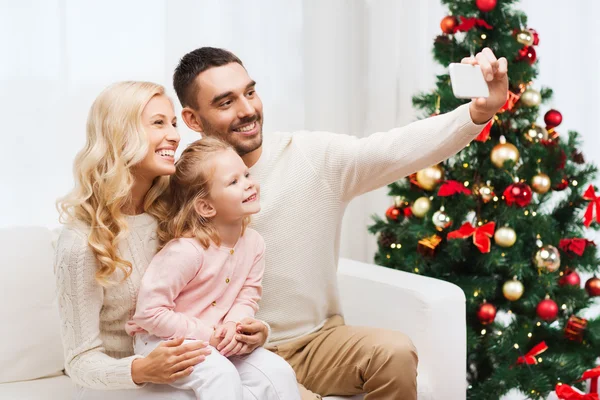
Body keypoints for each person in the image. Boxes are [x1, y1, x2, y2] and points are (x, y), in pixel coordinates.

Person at [172, 46, 508, 399]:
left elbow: (399, 147)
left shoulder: (310, 157)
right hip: (235, 358)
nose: (247, 110)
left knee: (393, 353)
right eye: (226, 103)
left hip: (318, 342)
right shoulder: (180, 187)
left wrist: (479, 111)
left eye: (251, 92)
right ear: (193, 120)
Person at [55, 81, 208, 400]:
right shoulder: (82, 241)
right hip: (117, 385)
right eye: (158, 123)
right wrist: (141, 370)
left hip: (183, 369)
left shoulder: (173, 211)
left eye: (174, 123)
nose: (175, 135)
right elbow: (79, 361)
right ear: (119, 134)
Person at [125, 136, 301, 399]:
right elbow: (149, 313)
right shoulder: (185, 251)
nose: (249, 184)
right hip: (161, 340)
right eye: (234, 182)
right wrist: (208, 336)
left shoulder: (254, 243)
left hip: (216, 337)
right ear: (206, 206)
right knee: (221, 375)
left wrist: (235, 327)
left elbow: (248, 295)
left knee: (279, 372)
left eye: (246, 174)